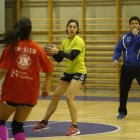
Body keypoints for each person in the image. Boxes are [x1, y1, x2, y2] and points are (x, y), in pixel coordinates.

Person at [0, 17, 53, 140]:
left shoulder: (11, 48)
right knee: (17, 126)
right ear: (30, 31)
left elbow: (2, 71)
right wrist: (46, 87)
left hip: (13, 93)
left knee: (1, 121)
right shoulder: (38, 49)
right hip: (30, 95)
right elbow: (49, 70)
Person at [32, 19, 87, 136]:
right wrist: (53, 53)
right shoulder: (65, 42)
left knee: (69, 96)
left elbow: (72, 56)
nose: (72, 28)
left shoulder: (79, 40)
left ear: (77, 30)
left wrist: (58, 51)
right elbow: (60, 59)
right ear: (67, 28)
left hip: (79, 72)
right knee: (56, 95)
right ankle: (44, 123)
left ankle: (75, 127)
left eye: (74, 27)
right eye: (70, 26)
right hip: (68, 72)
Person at [113, 16, 140, 119]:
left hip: (138, 67)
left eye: (136, 23)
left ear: (139, 25)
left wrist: (136, 36)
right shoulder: (124, 37)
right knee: (123, 91)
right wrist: (115, 59)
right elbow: (118, 49)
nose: (134, 25)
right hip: (126, 68)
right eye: (132, 23)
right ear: (129, 25)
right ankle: (122, 112)